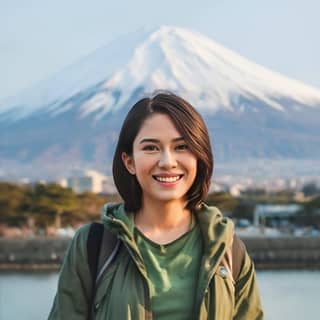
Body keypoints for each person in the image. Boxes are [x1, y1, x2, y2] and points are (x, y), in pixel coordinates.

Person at [48, 92, 264, 319]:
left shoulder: (228, 251)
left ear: (200, 158)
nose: (167, 162)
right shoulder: (94, 245)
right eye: (151, 148)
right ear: (129, 161)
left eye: (182, 147)